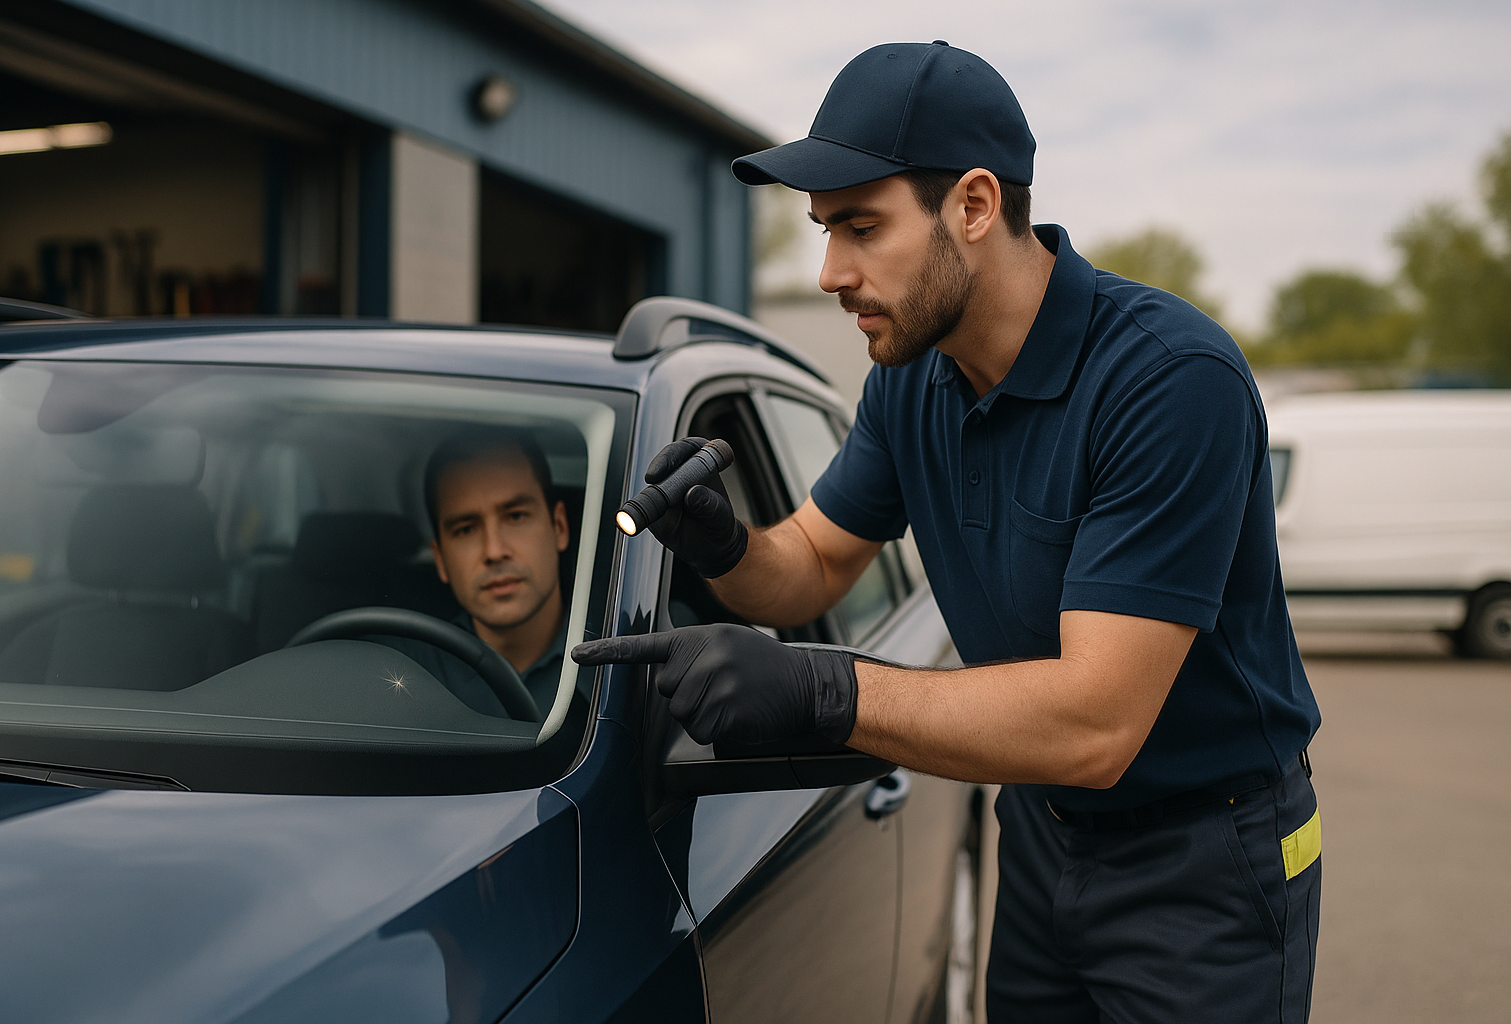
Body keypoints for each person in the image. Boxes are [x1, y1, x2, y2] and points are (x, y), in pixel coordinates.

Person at [574, 41, 1323, 1023]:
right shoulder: (907, 380)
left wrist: (821, 688)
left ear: (973, 206)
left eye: (859, 226)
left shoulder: (1169, 380)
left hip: (1206, 857)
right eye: (822, 230)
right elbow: (803, 569)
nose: (832, 271)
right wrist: (723, 543)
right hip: (1043, 831)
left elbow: (1098, 723)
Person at [382, 428, 569, 718]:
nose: (494, 551)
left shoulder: (633, 659)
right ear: (440, 560)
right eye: (466, 529)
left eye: (515, 516)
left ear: (559, 527)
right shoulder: (399, 677)